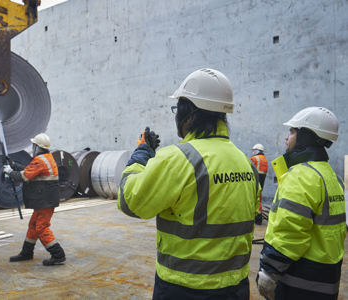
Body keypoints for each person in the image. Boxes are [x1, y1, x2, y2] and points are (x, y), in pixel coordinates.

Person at [118, 68, 260, 299]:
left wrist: (141, 155)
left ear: (190, 115)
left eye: (178, 110)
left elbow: (131, 202)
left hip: (184, 286)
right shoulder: (245, 161)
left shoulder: (178, 158)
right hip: (235, 286)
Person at [257, 107, 346, 300]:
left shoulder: (301, 176)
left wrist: (269, 270)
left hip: (299, 284)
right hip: (327, 280)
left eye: (292, 131)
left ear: (306, 136)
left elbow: (290, 233)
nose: (287, 137)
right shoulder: (332, 177)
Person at [2, 133, 66, 266]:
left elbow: (24, 176)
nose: (32, 147)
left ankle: (58, 254)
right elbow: (29, 171)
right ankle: (27, 252)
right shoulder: (47, 158)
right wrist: (13, 165)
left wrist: (9, 171)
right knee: (33, 225)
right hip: (45, 200)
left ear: (37, 146)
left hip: (44, 201)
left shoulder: (40, 160)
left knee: (41, 228)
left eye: (34, 145)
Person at [250, 144, 268, 225]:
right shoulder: (265, 159)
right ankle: (259, 216)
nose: (253, 152)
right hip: (262, 179)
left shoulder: (254, 158)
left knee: (252, 197)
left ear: (257, 150)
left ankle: (255, 216)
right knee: (259, 197)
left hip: (254, 179)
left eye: (253, 150)